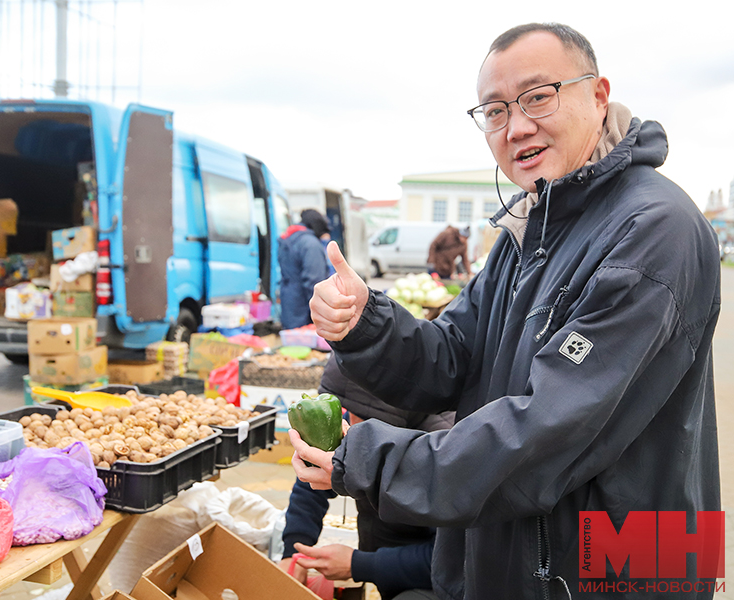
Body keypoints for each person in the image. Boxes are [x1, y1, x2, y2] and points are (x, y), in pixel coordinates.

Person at [293, 23, 721, 600]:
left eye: (538, 96)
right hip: (522, 553)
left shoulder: (653, 228)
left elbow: (549, 427)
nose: (517, 126)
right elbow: (451, 355)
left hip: (611, 567)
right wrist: (366, 321)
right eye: (494, 110)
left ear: (598, 96)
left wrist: (371, 461)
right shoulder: (532, 227)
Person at [278, 360, 453, 600]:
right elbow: (314, 483)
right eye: (348, 412)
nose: (350, 423)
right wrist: (294, 549)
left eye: (361, 416)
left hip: (439, 585)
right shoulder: (359, 420)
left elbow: (450, 560)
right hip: (388, 559)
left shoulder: (442, 449)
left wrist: (358, 564)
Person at [278, 209, 331, 329]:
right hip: (303, 305)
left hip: (289, 300)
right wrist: (322, 312)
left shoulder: (289, 238)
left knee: (292, 343)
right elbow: (314, 281)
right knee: (306, 344)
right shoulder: (311, 244)